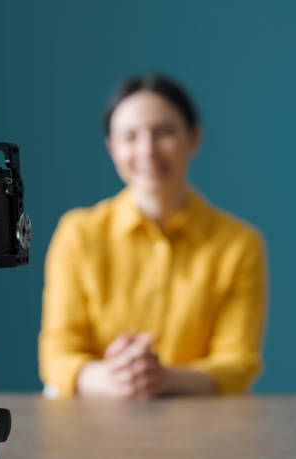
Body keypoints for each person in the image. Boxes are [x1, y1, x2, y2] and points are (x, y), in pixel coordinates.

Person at [39, 75, 267, 399]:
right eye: (130, 136)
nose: (147, 150)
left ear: (194, 139)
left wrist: (163, 379)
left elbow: (238, 362)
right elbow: (57, 354)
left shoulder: (239, 243)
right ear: (112, 148)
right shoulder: (78, 234)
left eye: (164, 132)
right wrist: (116, 378)